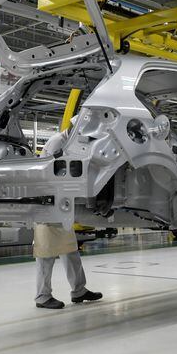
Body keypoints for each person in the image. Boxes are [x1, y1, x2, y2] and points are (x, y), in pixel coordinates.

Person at [33, 122, 102, 309]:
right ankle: (42, 296)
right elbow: (49, 171)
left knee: (70, 250)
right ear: (73, 128)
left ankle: (79, 290)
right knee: (45, 253)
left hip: (62, 204)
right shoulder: (57, 142)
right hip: (48, 204)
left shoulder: (73, 143)